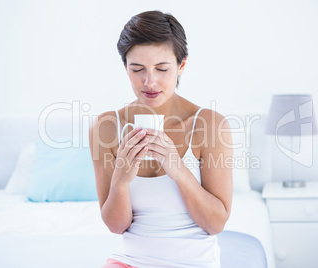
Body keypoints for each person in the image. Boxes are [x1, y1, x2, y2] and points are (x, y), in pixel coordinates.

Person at [89, 10, 233, 268]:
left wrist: (178, 169)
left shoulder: (210, 125)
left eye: (162, 69)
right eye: (137, 69)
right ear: (125, 68)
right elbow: (115, 226)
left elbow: (216, 224)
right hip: (129, 260)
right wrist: (120, 181)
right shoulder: (106, 127)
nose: (150, 82)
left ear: (181, 65)